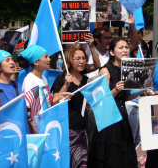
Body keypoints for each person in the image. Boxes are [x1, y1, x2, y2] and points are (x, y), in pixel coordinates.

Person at [88, 37, 149, 168]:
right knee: (111, 155)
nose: (125, 50)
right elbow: (101, 100)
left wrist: (141, 90)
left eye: (126, 47)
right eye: (120, 48)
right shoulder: (106, 70)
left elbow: (125, 97)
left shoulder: (127, 70)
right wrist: (115, 89)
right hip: (109, 119)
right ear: (111, 52)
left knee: (124, 155)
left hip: (122, 116)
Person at [51, 35, 100, 168]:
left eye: (83, 58)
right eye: (77, 58)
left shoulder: (85, 81)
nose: (81, 61)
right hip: (66, 129)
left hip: (83, 129)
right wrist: (66, 85)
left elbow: (98, 65)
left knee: (82, 164)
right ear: (69, 61)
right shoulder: (61, 79)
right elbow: (54, 102)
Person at [17, 45, 73, 133]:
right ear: (36, 62)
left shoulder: (43, 78)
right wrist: (36, 133)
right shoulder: (30, 80)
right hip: (39, 130)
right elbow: (30, 112)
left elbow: (47, 104)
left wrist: (62, 93)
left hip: (47, 126)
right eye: (46, 57)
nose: (49, 59)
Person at [86, 13, 139, 79]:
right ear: (97, 40)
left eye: (110, 38)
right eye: (106, 38)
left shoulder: (114, 52)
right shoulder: (89, 51)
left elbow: (134, 44)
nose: (110, 40)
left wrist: (132, 25)